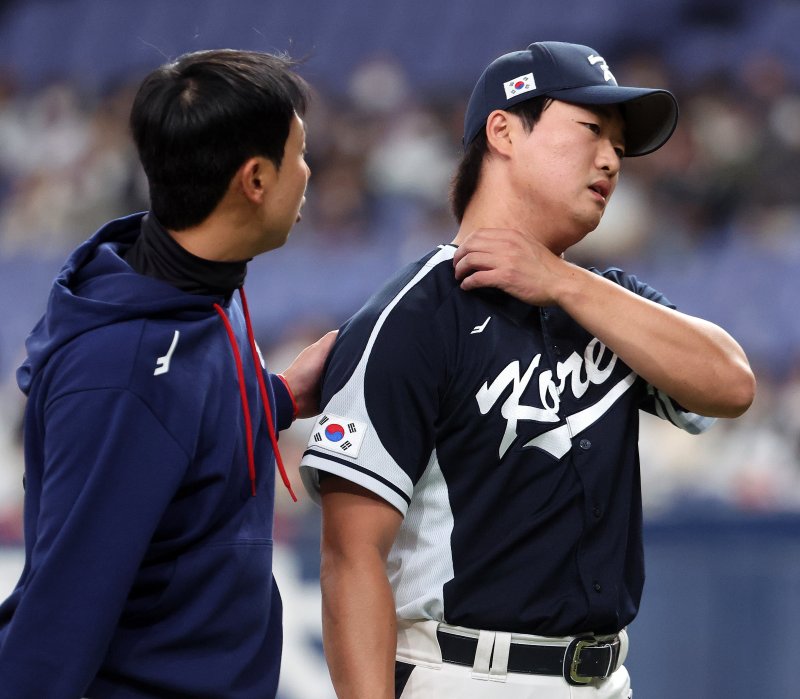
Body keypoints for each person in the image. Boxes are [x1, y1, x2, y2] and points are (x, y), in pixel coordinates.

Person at [299, 41, 755, 699]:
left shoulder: (602, 301)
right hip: (467, 674)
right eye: (592, 129)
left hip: (607, 679)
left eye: (620, 146)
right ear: (504, 130)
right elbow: (350, 556)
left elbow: (731, 384)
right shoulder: (416, 314)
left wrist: (564, 283)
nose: (610, 159)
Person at [0, 49, 335, 698]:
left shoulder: (193, 289)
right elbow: (60, 614)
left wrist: (280, 398)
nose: (309, 171)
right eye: (298, 153)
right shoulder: (125, 372)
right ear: (255, 179)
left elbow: (181, 439)